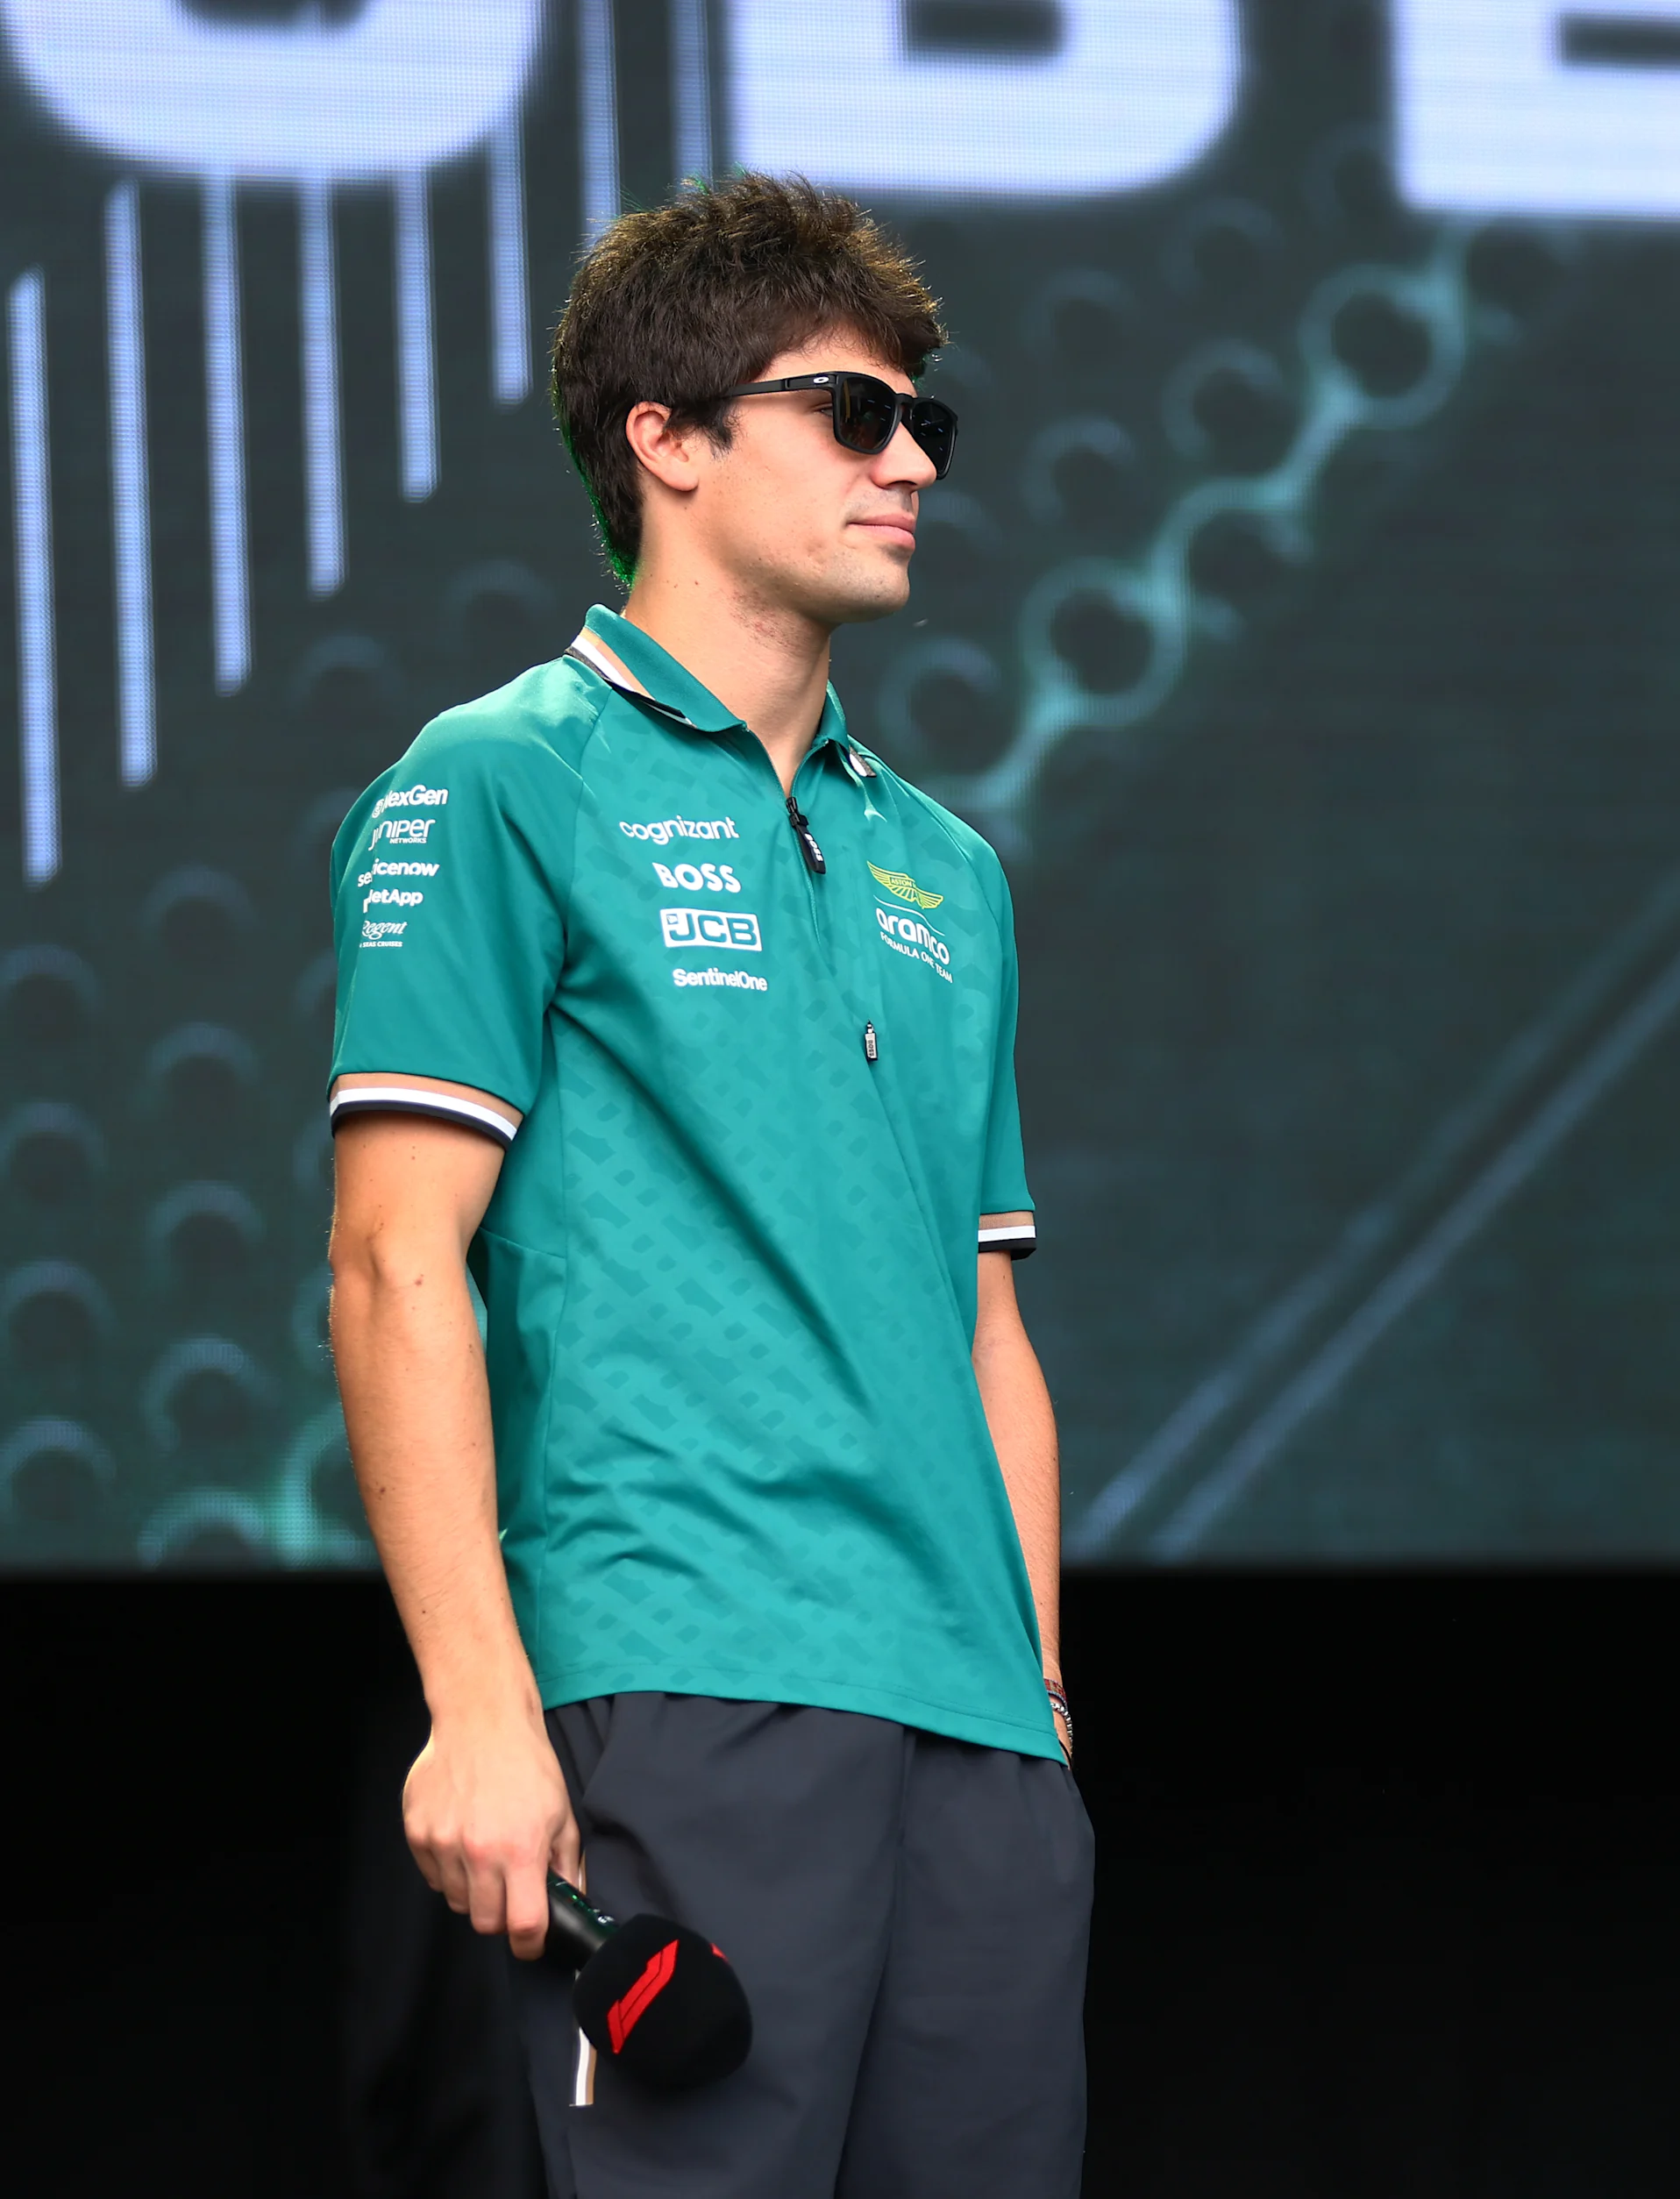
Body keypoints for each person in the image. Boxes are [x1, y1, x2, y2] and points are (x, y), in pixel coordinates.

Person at [324, 174, 1086, 2196]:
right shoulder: (496, 779)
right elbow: (397, 1265)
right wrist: (476, 1713)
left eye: (926, 421)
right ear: (663, 437)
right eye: (851, 412)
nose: (910, 458)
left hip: (976, 1741)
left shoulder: (952, 866)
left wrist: (1042, 1705)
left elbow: (990, 1325)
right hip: (683, 1680)